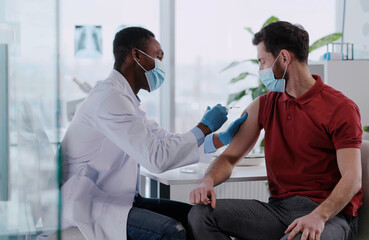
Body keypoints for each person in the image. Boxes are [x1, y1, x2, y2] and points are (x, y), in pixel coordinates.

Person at [60, 26, 247, 240]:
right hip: (88, 203)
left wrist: (216, 139)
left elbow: (163, 140)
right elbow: (157, 158)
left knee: (196, 216)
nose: (161, 66)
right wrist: (204, 127)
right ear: (136, 55)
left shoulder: (126, 100)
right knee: (171, 231)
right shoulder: (109, 99)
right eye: (158, 57)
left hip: (120, 199)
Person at [188, 21, 363, 240]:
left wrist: (318, 216)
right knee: (201, 215)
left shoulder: (340, 107)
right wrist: (207, 180)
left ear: (284, 58)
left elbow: (353, 177)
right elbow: (230, 157)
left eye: (262, 61)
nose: (260, 69)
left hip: (329, 216)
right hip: (279, 211)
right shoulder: (264, 105)